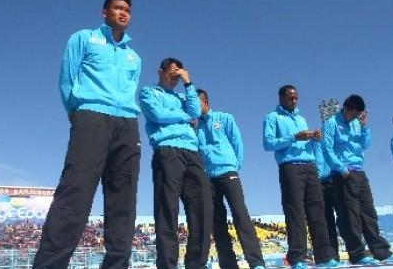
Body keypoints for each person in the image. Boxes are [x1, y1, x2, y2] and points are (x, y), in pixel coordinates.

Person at [33, 0, 141, 268]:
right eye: (118, 8)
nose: (123, 12)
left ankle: (117, 264)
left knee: (123, 202)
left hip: (127, 125)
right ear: (105, 12)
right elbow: (67, 78)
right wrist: (77, 111)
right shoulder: (83, 39)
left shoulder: (133, 56)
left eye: (127, 9)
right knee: (76, 192)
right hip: (92, 117)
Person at [139, 57, 212, 269]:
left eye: (178, 75)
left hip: (192, 153)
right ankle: (168, 265)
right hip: (167, 151)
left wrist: (188, 82)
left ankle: (196, 264)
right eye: (172, 73)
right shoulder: (148, 92)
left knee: (202, 210)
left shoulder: (183, 96)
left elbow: (196, 112)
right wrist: (184, 117)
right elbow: (157, 114)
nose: (175, 78)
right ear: (160, 72)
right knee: (167, 210)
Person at [263, 85, 339, 269]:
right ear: (280, 97)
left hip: (310, 166)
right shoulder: (272, 118)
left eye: (296, 98)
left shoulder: (301, 118)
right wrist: (293, 137)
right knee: (295, 212)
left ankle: (324, 256)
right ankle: (297, 258)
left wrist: (315, 140)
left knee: (317, 212)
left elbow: (310, 147)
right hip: (290, 166)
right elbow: (268, 143)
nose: (294, 101)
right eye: (290, 97)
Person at [321, 94, 393, 265]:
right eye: (354, 114)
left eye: (358, 116)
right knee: (350, 215)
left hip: (360, 171)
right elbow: (327, 149)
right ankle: (357, 254)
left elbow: (365, 145)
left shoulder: (357, 123)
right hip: (344, 173)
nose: (355, 118)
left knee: (368, 212)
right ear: (346, 108)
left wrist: (365, 128)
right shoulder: (331, 123)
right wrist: (341, 169)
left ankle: (380, 251)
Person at [195, 89, 266, 269]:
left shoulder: (224, 118)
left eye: (197, 104)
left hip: (228, 172)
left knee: (240, 214)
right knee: (217, 222)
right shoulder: (194, 127)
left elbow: (237, 142)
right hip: (208, 178)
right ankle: (228, 264)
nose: (194, 108)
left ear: (206, 103)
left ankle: (256, 262)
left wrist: (234, 165)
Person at [314, 140, 340, 261]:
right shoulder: (311, 142)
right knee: (326, 221)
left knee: (345, 217)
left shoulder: (333, 140)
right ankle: (332, 256)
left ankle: (355, 250)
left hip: (335, 179)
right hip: (318, 183)